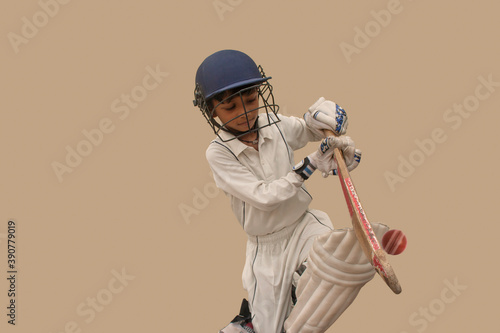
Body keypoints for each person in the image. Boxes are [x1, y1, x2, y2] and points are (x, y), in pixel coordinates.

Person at [193, 49, 388, 333]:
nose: (246, 112)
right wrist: (310, 165)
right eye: (231, 107)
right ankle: (246, 326)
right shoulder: (218, 154)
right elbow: (264, 197)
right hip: (267, 247)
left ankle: (305, 281)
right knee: (269, 329)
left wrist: (326, 121)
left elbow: (309, 129)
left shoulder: (274, 124)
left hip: (304, 225)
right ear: (211, 110)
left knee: (328, 263)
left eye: (250, 100)